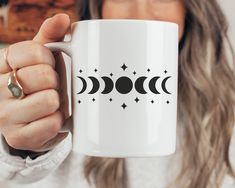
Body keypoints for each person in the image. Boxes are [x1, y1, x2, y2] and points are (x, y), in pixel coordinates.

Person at [0, 0, 235, 188]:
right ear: (97, 6)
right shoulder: (61, 80)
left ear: (191, 8)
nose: (140, 12)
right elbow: (12, 177)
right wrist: (24, 144)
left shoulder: (228, 103)